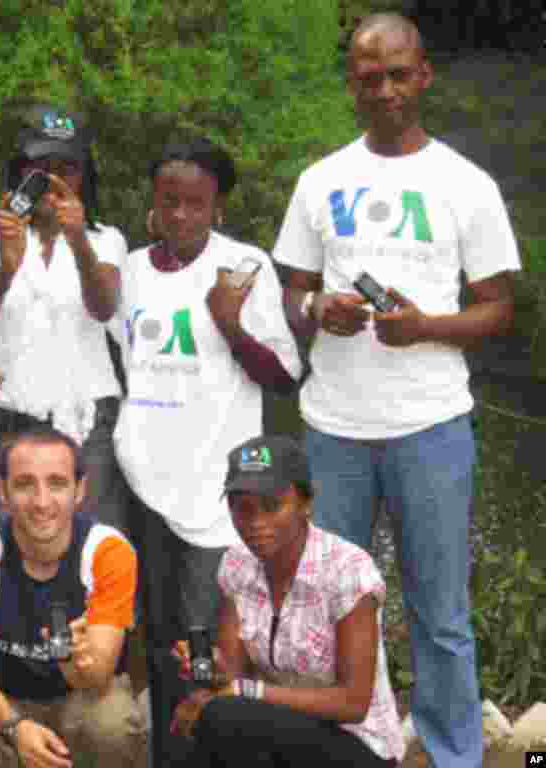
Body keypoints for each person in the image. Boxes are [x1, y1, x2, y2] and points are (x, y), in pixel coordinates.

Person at [272, 13, 520, 768]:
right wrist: (320, 312)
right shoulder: (321, 180)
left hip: (430, 426)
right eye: (368, 77)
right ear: (352, 84)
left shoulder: (465, 185)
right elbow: (289, 292)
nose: (384, 90)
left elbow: (499, 306)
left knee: (439, 614)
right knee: (334, 605)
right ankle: (348, 748)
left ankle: (453, 755)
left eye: (398, 74)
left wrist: (427, 327)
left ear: (424, 75)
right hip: (334, 428)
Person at [109, 138, 301, 767]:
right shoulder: (132, 270)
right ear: (153, 205)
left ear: (218, 206)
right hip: (142, 479)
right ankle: (169, 755)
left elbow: (281, 379)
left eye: (197, 203)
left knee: (207, 641)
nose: (183, 215)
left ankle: (210, 753)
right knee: (158, 634)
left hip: (215, 491)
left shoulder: (244, 265)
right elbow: (117, 353)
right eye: (171, 202)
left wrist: (230, 324)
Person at [170, 435, 404, 768]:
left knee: (223, 717)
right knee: (198, 724)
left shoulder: (347, 570)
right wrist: (217, 673)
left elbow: (353, 703)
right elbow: (232, 676)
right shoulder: (237, 564)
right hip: (277, 727)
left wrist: (246, 691)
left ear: (306, 503)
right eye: (241, 508)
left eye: (272, 505)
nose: (255, 523)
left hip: (355, 744)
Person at [0, 105, 129, 533]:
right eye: (41, 167)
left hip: (88, 425)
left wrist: (78, 242)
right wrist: (5, 269)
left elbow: (104, 305)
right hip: (10, 424)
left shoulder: (107, 240)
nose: (53, 180)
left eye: (67, 168)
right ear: (20, 172)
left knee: (97, 549)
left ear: (83, 176)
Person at [0, 427, 145, 768]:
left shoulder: (109, 550)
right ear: (1, 491)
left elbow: (98, 677)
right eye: (24, 484)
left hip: (83, 697)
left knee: (112, 724)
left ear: (80, 490)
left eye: (57, 483)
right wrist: (16, 729)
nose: (41, 502)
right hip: (4, 699)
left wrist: (75, 662)